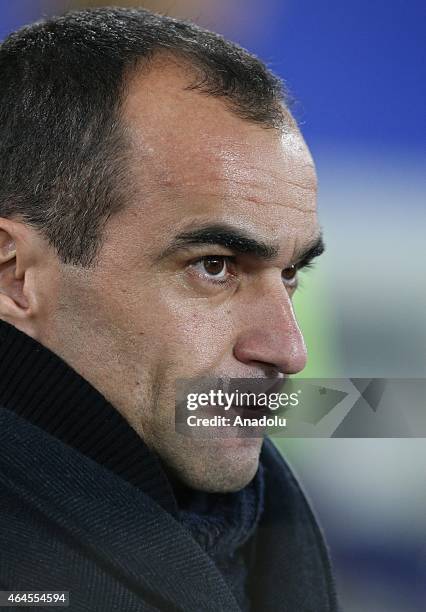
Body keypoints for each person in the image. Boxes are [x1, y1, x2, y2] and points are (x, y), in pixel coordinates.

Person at [0, 7, 339, 611]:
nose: (290, 351)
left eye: (291, 274)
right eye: (215, 265)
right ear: (15, 276)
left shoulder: (267, 539)